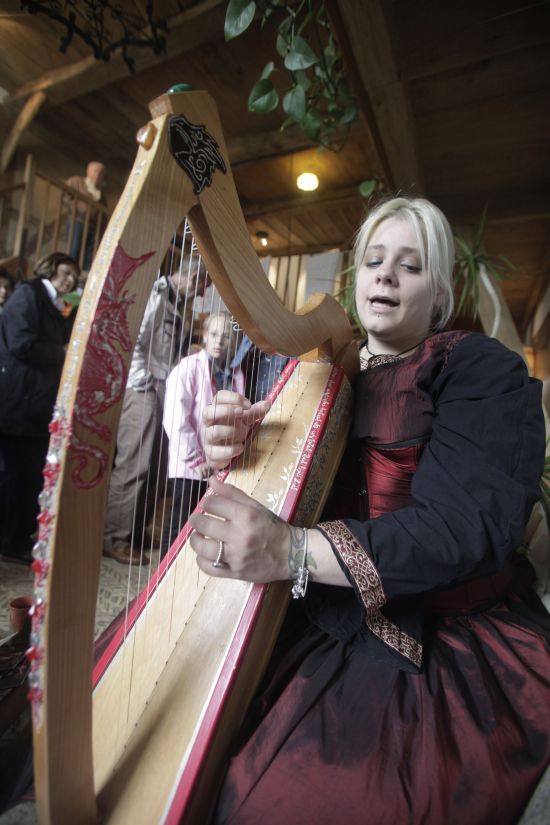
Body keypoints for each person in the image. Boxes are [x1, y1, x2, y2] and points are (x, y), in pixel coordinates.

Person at [189, 197, 550, 825]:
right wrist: (238, 448)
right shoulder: (321, 374)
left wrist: (290, 550)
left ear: (440, 295)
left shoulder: (479, 369)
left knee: (282, 801)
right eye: (375, 260)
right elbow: (279, 497)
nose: (386, 274)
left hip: (438, 634)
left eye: (410, 265)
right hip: (321, 603)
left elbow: (463, 529)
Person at [102, 256, 209, 565]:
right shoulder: (155, 294)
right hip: (142, 387)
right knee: (135, 464)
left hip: (163, 387)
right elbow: (131, 339)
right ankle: (115, 537)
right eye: (203, 285)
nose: (203, 292)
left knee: (158, 467)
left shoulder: (181, 304)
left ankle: (136, 531)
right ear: (192, 277)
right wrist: (144, 380)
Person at [0, 253, 79, 564]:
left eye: (74, 276)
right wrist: (62, 353)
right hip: (19, 402)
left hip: (34, 403)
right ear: (50, 269)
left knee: (29, 475)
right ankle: (11, 542)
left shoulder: (55, 303)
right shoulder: (29, 293)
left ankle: (18, 538)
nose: (70, 280)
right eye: (65, 272)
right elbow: (20, 343)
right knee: (17, 476)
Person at [162, 312, 245, 557]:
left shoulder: (235, 373)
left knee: (205, 528)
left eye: (226, 336)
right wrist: (196, 460)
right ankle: (164, 571)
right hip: (192, 466)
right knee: (179, 526)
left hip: (217, 466)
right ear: (205, 336)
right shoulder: (188, 367)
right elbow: (175, 420)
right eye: (214, 334)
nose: (219, 340)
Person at [64, 161, 106, 270]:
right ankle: (69, 271)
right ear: (88, 171)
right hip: (77, 222)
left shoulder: (101, 194)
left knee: (89, 257)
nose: (97, 175)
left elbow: (103, 214)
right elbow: (65, 196)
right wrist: (77, 210)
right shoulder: (76, 181)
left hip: (93, 227)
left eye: (100, 173)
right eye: (95, 171)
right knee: (73, 250)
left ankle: (82, 276)